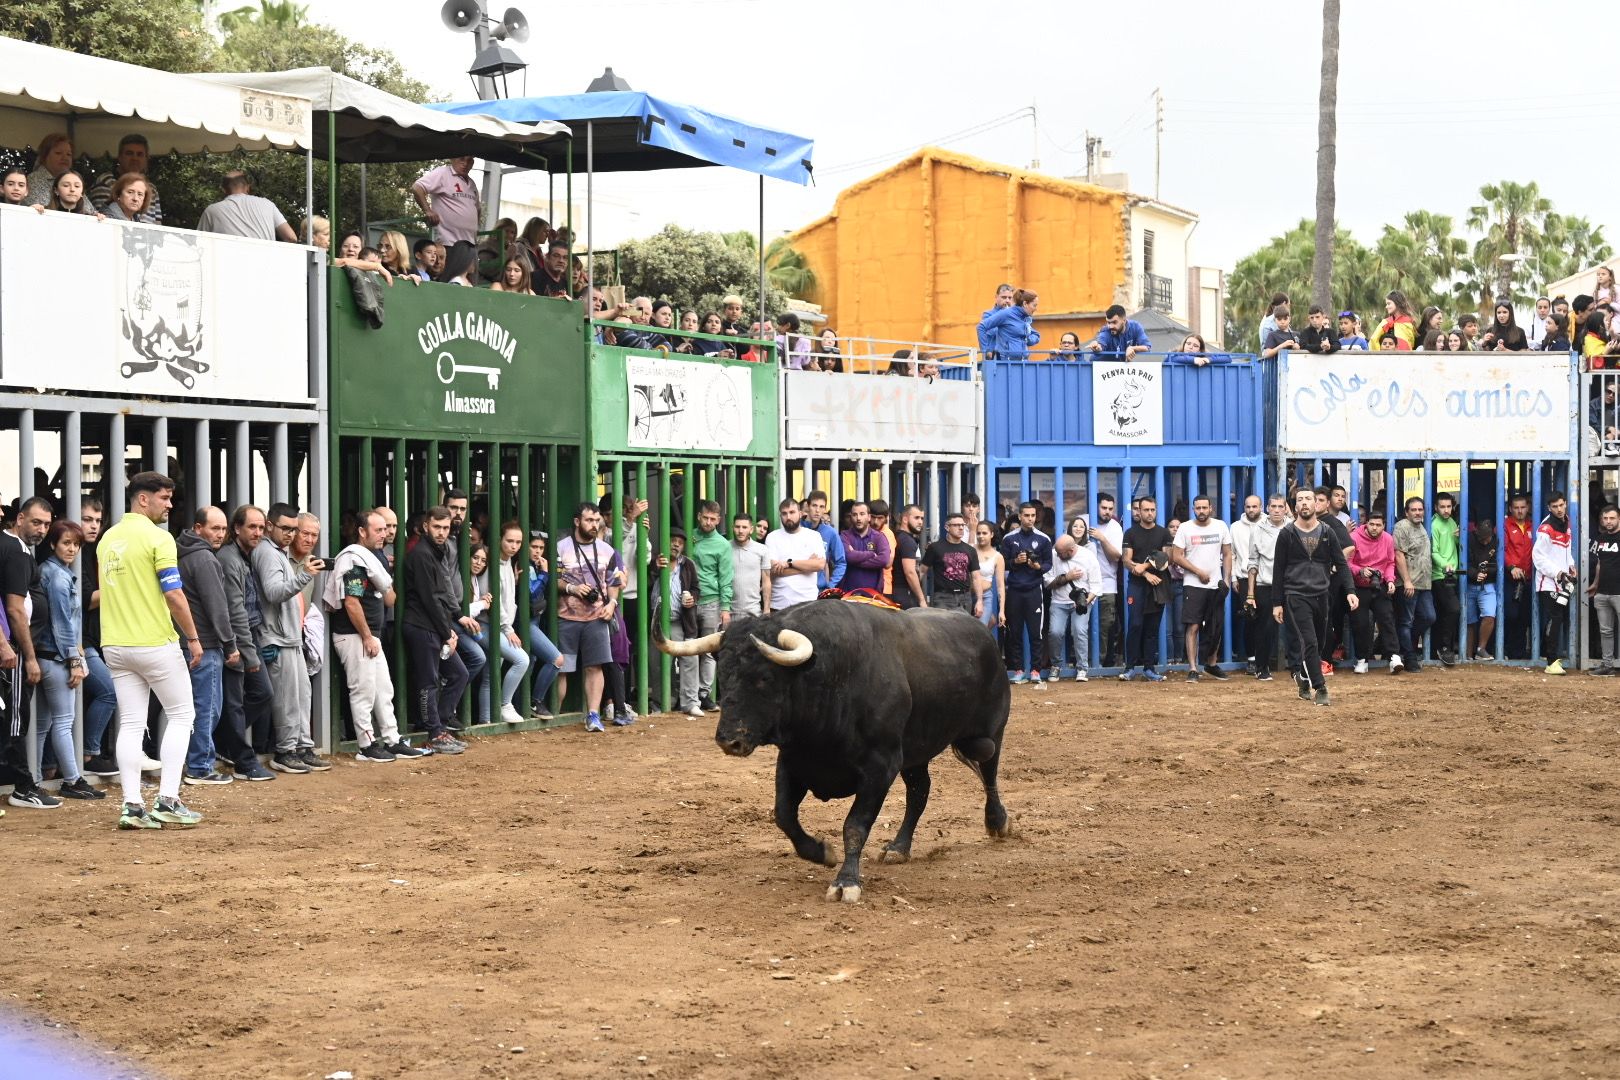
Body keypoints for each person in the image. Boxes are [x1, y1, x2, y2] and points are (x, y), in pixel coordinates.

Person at [99, 473, 206, 829]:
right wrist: (192, 637)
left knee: (130, 723)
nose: (170, 505)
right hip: (154, 642)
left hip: (115, 643)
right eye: (164, 497)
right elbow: (174, 595)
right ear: (143, 500)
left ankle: (132, 806)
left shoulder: (107, 539)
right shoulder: (159, 538)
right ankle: (168, 799)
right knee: (181, 715)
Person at [325, 510, 422, 761]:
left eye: (386, 529)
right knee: (364, 691)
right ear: (362, 531)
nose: (385, 534)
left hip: (369, 635)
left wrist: (382, 581)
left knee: (383, 688)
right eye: (378, 530)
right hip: (355, 635)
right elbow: (351, 603)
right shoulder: (355, 560)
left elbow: (390, 598)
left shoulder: (372, 558)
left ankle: (392, 739)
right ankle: (366, 746)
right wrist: (367, 636)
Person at [32, 519, 102, 800]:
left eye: (76, 544)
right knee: (63, 721)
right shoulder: (59, 577)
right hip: (58, 657)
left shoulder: (51, 572)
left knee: (43, 725)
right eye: (66, 543)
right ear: (53, 544)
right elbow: (62, 623)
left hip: (47, 656)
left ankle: (35, 779)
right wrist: (75, 658)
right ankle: (73, 779)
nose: (72, 549)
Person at [252, 504, 325, 772]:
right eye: (286, 528)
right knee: (286, 698)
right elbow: (273, 592)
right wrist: (305, 575)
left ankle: (302, 747)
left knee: (301, 696)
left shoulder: (278, 552)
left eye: (294, 529)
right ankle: (285, 752)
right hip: (277, 638)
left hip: (290, 637)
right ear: (270, 526)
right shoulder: (268, 553)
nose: (291, 535)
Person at [1271, 488, 1359, 705]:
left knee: (1319, 642)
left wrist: (1350, 591)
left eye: (1308, 499)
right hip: (1295, 594)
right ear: (1296, 505)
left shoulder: (1327, 532)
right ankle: (1320, 687)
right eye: (1300, 500)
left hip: (1322, 594)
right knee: (1309, 641)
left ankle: (1302, 674)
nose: (1304, 503)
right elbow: (1278, 569)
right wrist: (1277, 603)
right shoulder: (1287, 534)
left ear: (1317, 504)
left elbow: (1341, 563)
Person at [176, 506, 239, 787]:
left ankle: (193, 762)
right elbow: (217, 606)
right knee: (207, 707)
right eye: (215, 528)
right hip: (206, 643)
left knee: (186, 709)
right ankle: (200, 766)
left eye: (224, 529)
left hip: (183, 642)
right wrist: (229, 644)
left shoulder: (181, 553)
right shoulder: (204, 559)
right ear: (198, 528)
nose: (221, 534)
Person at [1, 497, 56, 809]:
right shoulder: (16, 551)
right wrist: (30, 657)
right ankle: (23, 786)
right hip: (15, 652)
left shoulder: (16, 550)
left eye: (46, 524)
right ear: (19, 518)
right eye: (36, 522)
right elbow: (15, 609)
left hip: (15, 648)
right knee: (15, 718)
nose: (41, 530)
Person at [401, 507, 470, 753]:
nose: (441, 532)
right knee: (428, 682)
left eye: (446, 528)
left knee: (459, 674)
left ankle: (439, 727)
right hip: (422, 626)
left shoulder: (437, 551)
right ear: (426, 526)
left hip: (434, 626)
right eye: (437, 527)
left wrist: (446, 630)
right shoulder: (422, 554)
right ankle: (434, 733)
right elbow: (429, 598)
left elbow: (438, 596)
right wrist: (447, 632)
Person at [216, 506, 275, 779]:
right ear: (236, 528)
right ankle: (242, 759)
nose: (258, 532)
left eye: (261, 528)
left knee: (260, 694)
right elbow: (235, 610)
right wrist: (248, 655)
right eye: (252, 527)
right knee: (238, 701)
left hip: (248, 637)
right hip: (236, 641)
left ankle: (225, 742)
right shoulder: (229, 558)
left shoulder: (244, 555)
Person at [556, 502, 623, 732]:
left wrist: (612, 604)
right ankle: (555, 716)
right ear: (577, 522)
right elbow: (552, 579)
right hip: (566, 617)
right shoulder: (560, 547)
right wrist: (572, 589)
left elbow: (614, 582)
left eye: (597, 521)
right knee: (561, 667)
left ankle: (593, 715)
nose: (594, 525)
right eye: (589, 521)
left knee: (595, 667)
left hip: (597, 618)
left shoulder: (607, 550)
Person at [1170, 495, 1233, 681]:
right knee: (1194, 626)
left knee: (1216, 626)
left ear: (1211, 508)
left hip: (1216, 585)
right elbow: (1176, 556)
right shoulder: (1185, 528)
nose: (1201, 511)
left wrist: (1227, 580)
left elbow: (1228, 554)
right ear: (1193, 509)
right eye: (1198, 508)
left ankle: (1211, 665)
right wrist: (1198, 572)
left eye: (1204, 508)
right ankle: (1192, 668)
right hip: (1193, 585)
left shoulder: (1221, 526)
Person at [1000, 500, 1053, 684]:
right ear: (1020, 516)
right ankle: (1019, 670)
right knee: (1014, 632)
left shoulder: (1044, 539)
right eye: (1027, 516)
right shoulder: (1008, 538)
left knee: (1035, 633)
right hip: (1014, 590)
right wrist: (1016, 561)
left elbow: (1048, 564)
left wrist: (1037, 566)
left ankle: (1036, 670)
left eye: (1033, 516)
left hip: (1034, 591)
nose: (1030, 519)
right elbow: (1003, 562)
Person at [687, 500, 733, 711]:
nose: (708, 522)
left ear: (719, 520)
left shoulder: (722, 545)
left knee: (706, 650)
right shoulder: (689, 536)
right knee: (687, 647)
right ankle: (687, 694)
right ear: (698, 516)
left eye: (713, 519)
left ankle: (703, 693)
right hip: (687, 599)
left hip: (711, 601)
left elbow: (725, 577)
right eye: (705, 517)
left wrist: (725, 608)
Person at [1120, 496, 1173, 682]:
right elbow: (1127, 561)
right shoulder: (1130, 533)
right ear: (1139, 512)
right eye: (1146, 510)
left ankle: (1149, 668)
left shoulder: (1164, 533)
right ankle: (1130, 668)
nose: (1150, 513)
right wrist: (1145, 574)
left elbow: (1167, 559)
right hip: (1137, 585)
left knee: (1152, 629)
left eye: (1152, 510)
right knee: (1135, 625)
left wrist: (1146, 566)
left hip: (1158, 585)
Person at [1044, 528, 1100, 680]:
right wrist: (1066, 577)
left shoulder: (1088, 556)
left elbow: (1096, 586)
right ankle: (1056, 665)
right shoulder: (1054, 553)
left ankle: (1082, 668)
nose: (1058, 555)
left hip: (1082, 601)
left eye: (1061, 553)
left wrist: (1084, 602)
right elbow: (1047, 582)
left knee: (1079, 630)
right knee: (1055, 632)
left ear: (1071, 550)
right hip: (1058, 601)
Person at [1348, 509, 1398, 674]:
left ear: (1384, 525)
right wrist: (1360, 570)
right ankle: (1362, 660)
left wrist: (1390, 580)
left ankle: (1393, 657)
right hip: (1359, 586)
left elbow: (1391, 562)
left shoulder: (1388, 539)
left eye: (1378, 525)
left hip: (1380, 584)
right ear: (1366, 524)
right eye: (1372, 524)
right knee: (1360, 623)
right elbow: (1347, 562)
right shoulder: (1354, 537)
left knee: (1387, 619)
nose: (1375, 528)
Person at [1244, 494, 1289, 681]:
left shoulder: (1294, 527)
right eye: (1274, 506)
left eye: (1280, 506)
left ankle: (1300, 667)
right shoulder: (1258, 529)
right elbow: (1253, 562)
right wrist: (1250, 594)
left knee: (1298, 627)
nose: (1277, 510)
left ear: (1286, 508)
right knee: (1265, 628)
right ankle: (1262, 667)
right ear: (1267, 508)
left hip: (1291, 584)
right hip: (1266, 584)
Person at [1533, 492, 1575, 675]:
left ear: (1565, 504)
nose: (1559, 509)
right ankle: (1551, 662)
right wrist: (1557, 573)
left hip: (1563, 580)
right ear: (1549, 508)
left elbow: (1566, 550)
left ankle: (1548, 655)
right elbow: (1538, 557)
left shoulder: (1567, 521)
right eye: (1555, 507)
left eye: (1561, 505)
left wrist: (1571, 566)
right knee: (1555, 618)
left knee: (1559, 618)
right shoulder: (1546, 528)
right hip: (1548, 582)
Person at [1392, 496, 1435, 673]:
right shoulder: (1402, 527)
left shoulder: (1422, 527)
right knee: (1406, 621)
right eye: (1414, 510)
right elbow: (1398, 555)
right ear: (1406, 512)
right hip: (1408, 583)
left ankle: (1407, 645)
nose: (1418, 513)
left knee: (1428, 617)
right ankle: (1409, 658)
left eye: (1420, 509)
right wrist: (1407, 580)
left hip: (1424, 583)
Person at [524, 532, 564, 721]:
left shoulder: (535, 565)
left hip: (536, 620)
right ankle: (535, 701)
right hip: (525, 623)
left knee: (529, 662)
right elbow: (531, 594)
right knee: (556, 659)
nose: (538, 551)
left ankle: (522, 705)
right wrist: (546, 573)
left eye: (541, 548)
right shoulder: (526, 566)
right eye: (534, 547)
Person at [195, 170, 297, 242]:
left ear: (224, 190)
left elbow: (198, 242)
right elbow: (291, 237)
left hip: (227, 267)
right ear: (247, 187)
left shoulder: (212, 211)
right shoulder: (268, 204)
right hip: (265, 266)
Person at [764, 498, 826, 612]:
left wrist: (789, 563)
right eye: (784, 513)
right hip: (779, 605)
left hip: (808, 604)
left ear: (801, 514)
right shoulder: (772, 537)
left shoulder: (814, 536)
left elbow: (819, 565)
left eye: (792, 512)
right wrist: (807, 566)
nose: (788, 517)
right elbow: (773, 570)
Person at [88, 134, 162, 223]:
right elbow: (101, 220)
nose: (135, 158)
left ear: (146, 159)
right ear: (119, 157)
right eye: (129, 153)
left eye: (139, 154)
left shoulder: (151, 188)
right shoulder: (105, 181)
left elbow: (158, 225)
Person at [412, 155, 481, 248]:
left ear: (472, 163)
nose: (465, 163)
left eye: (469, 160)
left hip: (470, 243)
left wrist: (477, 227)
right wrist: (427, 210)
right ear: (452, 159)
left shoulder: (472, 183)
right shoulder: (443, 173)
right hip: (448, 243)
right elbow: (417, 188)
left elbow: (477, 208)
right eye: (461, 159)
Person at [921, 513, 982, 616]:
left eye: (962, 525)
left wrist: (980, 601)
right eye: (956, 525)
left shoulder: (970, 550)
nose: (961, 528)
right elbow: (922, 571)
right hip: (943, 597)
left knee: (964, 631)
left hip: (965, 597)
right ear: (947, 527)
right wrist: (919, 597)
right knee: (942, 630)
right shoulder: (935, 548)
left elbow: (976, 577)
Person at [1228, 495, 1263, 669]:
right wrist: (1233, 577)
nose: (1251, 510)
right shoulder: (1235, 527)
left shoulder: (1269, 525)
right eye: (1248, 506)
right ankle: (1251, 659)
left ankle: (1264, 659)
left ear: (1261, 507)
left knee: (1265, 619)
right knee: (1249, 619)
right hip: (1243, 578)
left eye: (1255, 506)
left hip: (1265, 579)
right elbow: (1231, 554)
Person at [1091, 494, 1125, 668]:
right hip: (1084, 584)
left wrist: (1102, 539)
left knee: (1106, 626)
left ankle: (1100, 663)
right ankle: (1085, 663)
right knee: (1082, 628)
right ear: (1095, 506)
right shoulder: (1083, 520)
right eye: (1104, 508)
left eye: (1111, 509)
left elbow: (1116, 557)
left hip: (1108, 584)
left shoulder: (1115, 528)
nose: (1108, 512)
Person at [1429, 492, 1462, 666]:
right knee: (1453, 609)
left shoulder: (1451, 522)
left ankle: (1442, 647)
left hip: (1452, 574)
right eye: (1442, 506)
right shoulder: (1434, 525)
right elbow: (1433, 551)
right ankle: (1444, 647)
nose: (1446, 510)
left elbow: (1455, 546)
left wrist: (1458, 538)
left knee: (1444, 612)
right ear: (1436, 507)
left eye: (1449, 506)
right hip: (1440, 575)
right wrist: (1444, 565)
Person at [1587, 504, 1620, 676]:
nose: (1608, 521)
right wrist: (1595, 584)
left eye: (1612, 518)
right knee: (1606, 631)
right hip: (1603, 592)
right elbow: (1600, 564)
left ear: (1619, 519)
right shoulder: (1601, 539)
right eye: (1605, 518)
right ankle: (1608, 665)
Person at [1466, 515, 1500, 661]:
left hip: (1487, 585)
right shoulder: (1469, 539)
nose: (1485, 541)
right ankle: (1466, 654)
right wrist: (1474, 574)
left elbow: (1498, 564)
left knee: (1489, 616)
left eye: (1488, 538)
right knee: (1469, 621)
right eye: (1482, 539)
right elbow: (1462, 562)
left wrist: (1485, 573)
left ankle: (1481, 649)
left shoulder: (1497, 540)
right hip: (1468, 584)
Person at [839, 501, 891, 594]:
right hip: (848, 595)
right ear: (851, 517)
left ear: (869, 517)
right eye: (855, 514)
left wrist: (854, 560)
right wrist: (871, 554)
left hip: (873, 596)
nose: (858, 518)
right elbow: (848, 556)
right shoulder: (844, 536)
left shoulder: (879, 537)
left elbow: (884, 560)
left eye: (862, 514)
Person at [729, 513, 771, 619]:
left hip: (754, 612)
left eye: (744, 527)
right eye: (737, 527)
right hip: (728, 613)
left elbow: (766, 581)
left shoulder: (762, 550)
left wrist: (766, 610)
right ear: (732, 528)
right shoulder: (725, 548)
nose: (741, 531)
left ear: (751, 529)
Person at [978, 290, 1040, 362]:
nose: (1036, 308)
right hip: (1005, 364)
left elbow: (1036, 335)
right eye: (1034, 305)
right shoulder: (1006, 314)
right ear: (1025, 304)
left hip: (1023, 363)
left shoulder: (1025, 318)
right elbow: (981, 327)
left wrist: (1028, 339)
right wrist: (985, 350)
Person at [804, 490, 846, 591]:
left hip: (819, 589)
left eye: (821, 507)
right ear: (807, 506)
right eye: (814, 505)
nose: (817, 510)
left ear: (825, 509)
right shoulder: (797, 528)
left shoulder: (830, 532)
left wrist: (830, 585)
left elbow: (841, 562)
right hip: (799, 588)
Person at [890, 504, 928, 609]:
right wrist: (921, 599)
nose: (920, 522)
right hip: (903, 593)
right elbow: (910, 572)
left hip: (896, 592)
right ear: (905, 519)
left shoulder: (898, 536)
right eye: (916, 518)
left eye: (922, 518)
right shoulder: (907, 541)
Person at [23, 132, 75, 207]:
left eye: (69, 154)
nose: (65, 158)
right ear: (45, 156)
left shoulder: (73, 181)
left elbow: (89, 211)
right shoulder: (35, 179)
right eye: (58, 153)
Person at [974, 521, 1006, 634]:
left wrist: (1001, 611)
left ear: (991, 534)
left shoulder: (998, 557)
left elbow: (1000, 586)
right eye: (978, 533)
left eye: (984, 533)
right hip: (967, 595)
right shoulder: (970, 550)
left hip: (986, 596)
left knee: (979, 630)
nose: (981, 536)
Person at [977, 283, 1016, 358]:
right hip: (995, 357)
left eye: (1010, 298)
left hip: (1011, 357)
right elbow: (992, 331)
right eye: (1004, 297)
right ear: (996, 297)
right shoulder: (988, 315)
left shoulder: (1015, 315)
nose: (1007, 300)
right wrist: (986, 352)